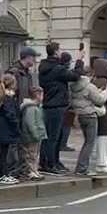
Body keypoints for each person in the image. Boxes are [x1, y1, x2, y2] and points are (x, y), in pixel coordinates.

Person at [37, 41, 85, 175]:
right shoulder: (57, 69)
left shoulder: (45, 66)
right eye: (59, 50)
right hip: (56, 105)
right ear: (56, 52)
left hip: (49, 104)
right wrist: (79, 61)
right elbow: (75, 76)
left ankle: (50, 162)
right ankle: (51, 164)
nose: (60, 52)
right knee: (54, 137)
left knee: (49, 137)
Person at [68, 69, 107, 176]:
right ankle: (82, 168)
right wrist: (104, 93)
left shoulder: (74, 86)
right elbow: (100, 100)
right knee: (89, 142)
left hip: (80, 115)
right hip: (90, 115)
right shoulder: (90, 86)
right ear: (89, 75)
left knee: (86, 142)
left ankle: (80, 167)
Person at [0, 72, 22, 184]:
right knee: (4, 152)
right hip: (6, 126)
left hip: (3, 125)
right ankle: (2, 174)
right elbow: (10, 113)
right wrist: (16, 123)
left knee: (4, 152)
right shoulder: (8, 97)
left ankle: (5, 173)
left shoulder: (3, 96)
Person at [18, 87, 46, 182]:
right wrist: (35, 133)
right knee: (30, 154)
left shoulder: (37, 107)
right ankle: (30, 171)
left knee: (35, 153)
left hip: (36, 134)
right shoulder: (31, 108)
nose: (43, 97)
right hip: (32, 135)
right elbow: (30, 123)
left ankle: (34, 169)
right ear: (38, 96)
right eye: (42, 95)